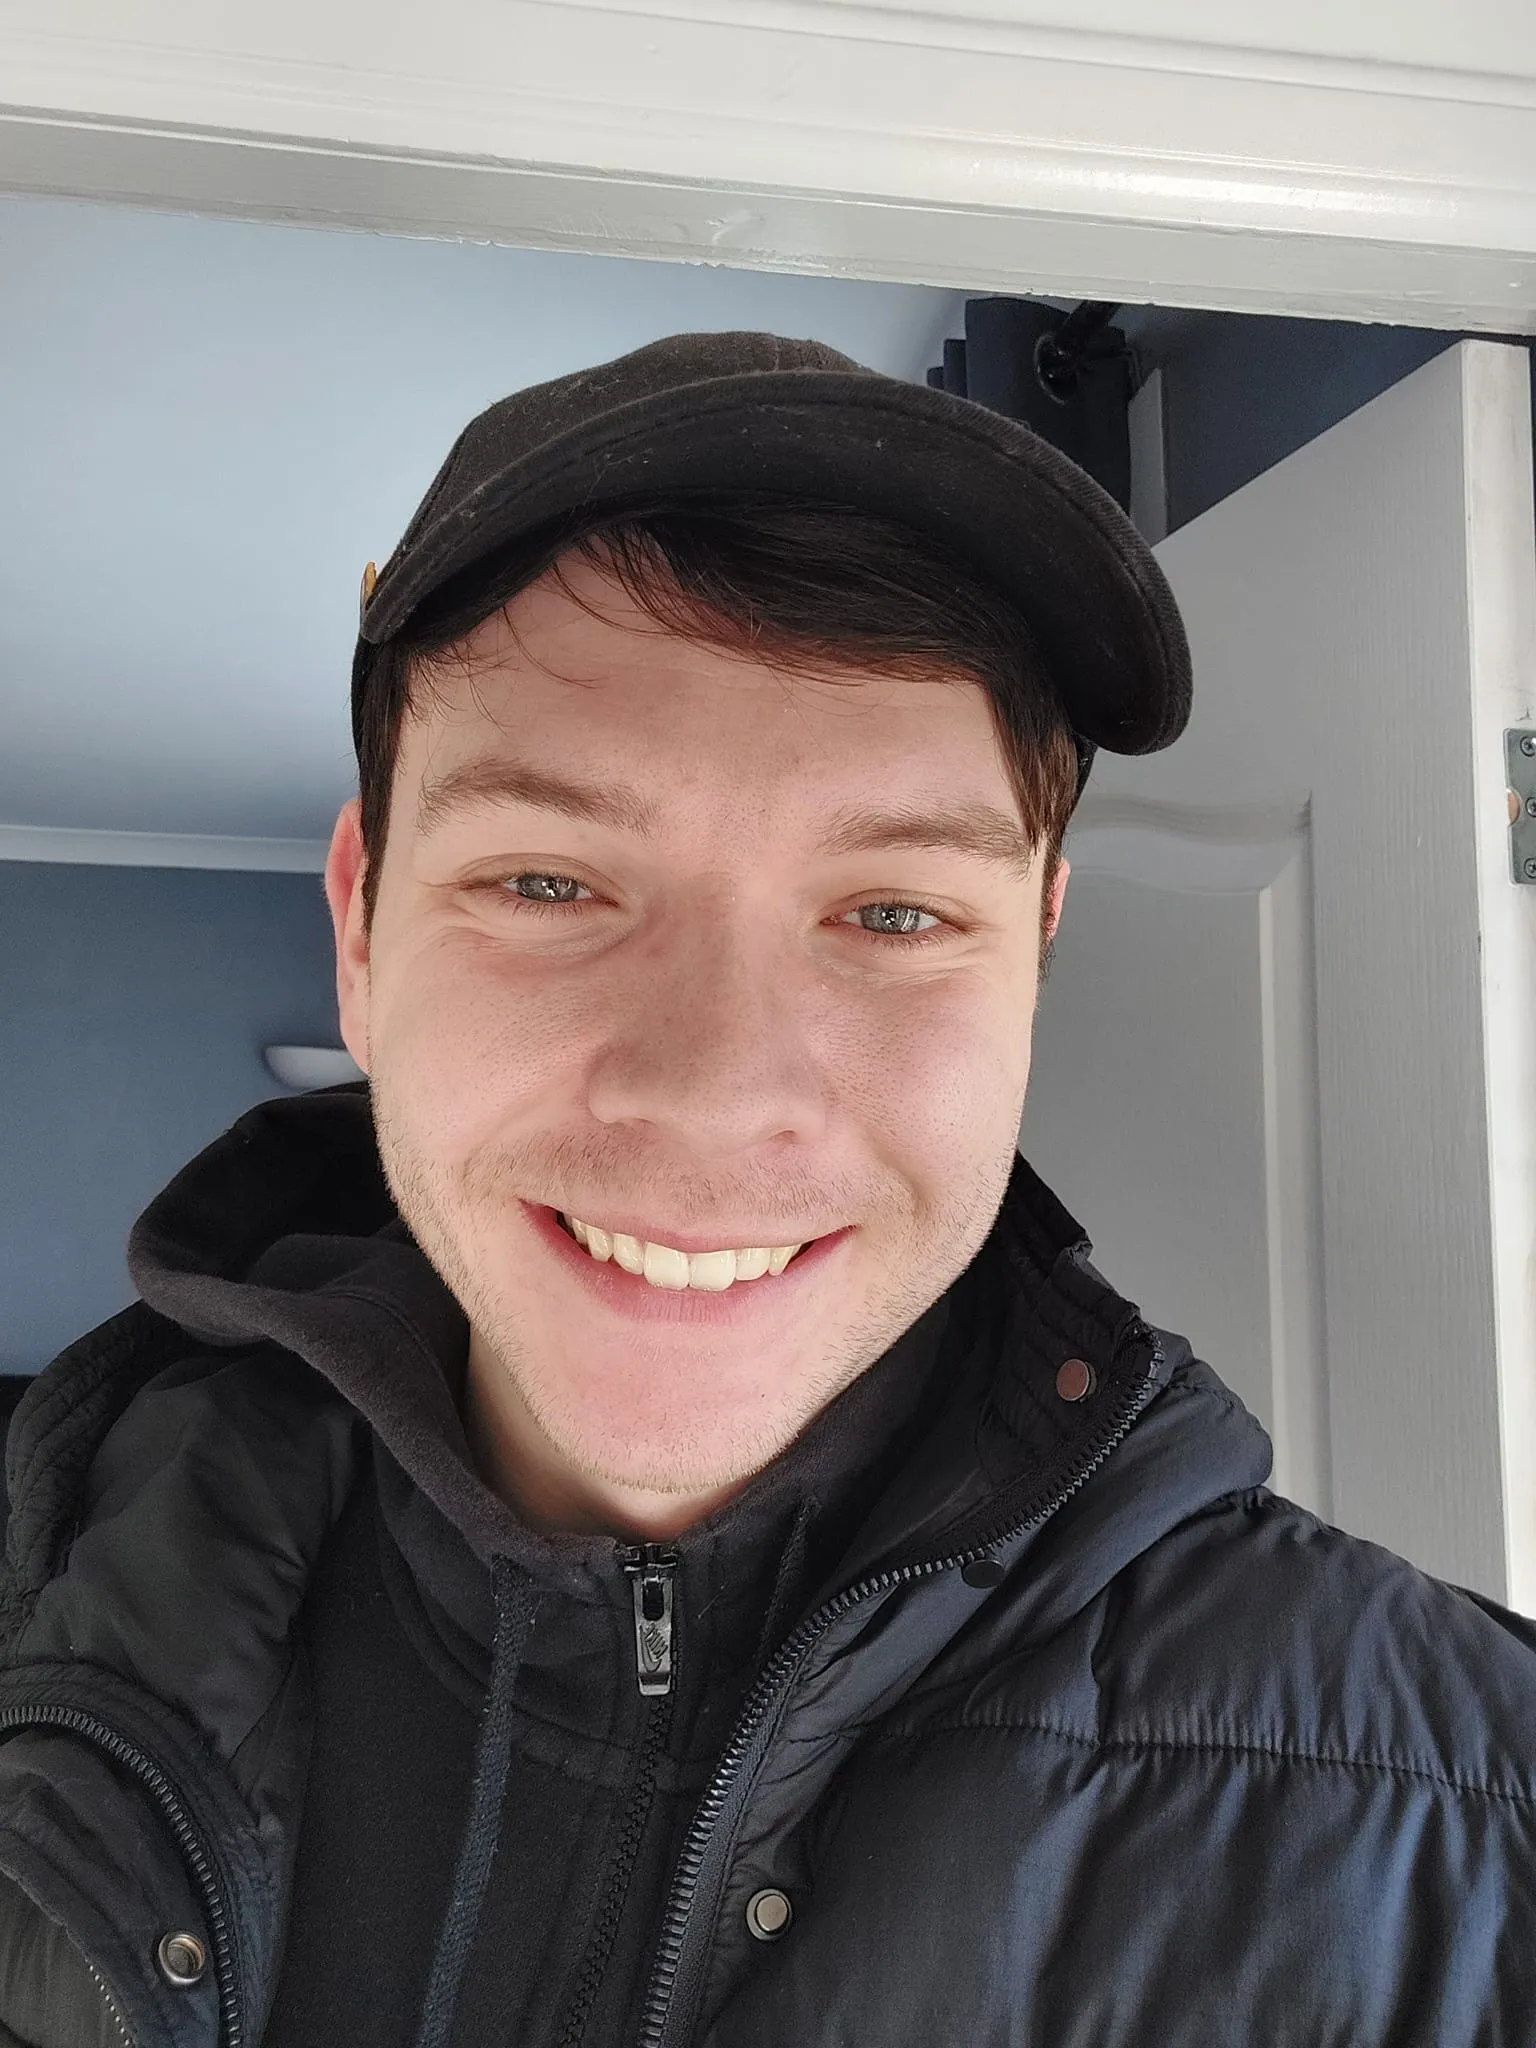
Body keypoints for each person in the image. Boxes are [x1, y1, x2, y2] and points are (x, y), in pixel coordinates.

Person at [1, 330, 1531, 2048]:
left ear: (1034, 956)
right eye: (549, 879)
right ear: (360, 927)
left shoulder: (1477, 1825)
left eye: (892, 913)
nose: (717, 1090)